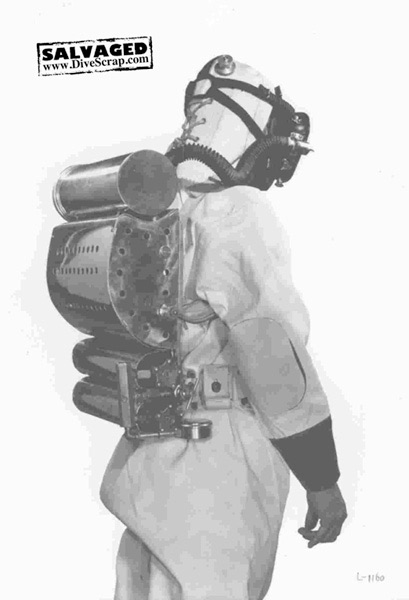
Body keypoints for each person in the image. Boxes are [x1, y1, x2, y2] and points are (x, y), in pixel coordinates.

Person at [100, 55, 347, 600]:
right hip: (221, 465)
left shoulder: (158, 207)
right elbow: (271, 349)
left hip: (153, 458)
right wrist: (321, 478)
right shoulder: (236, 210)